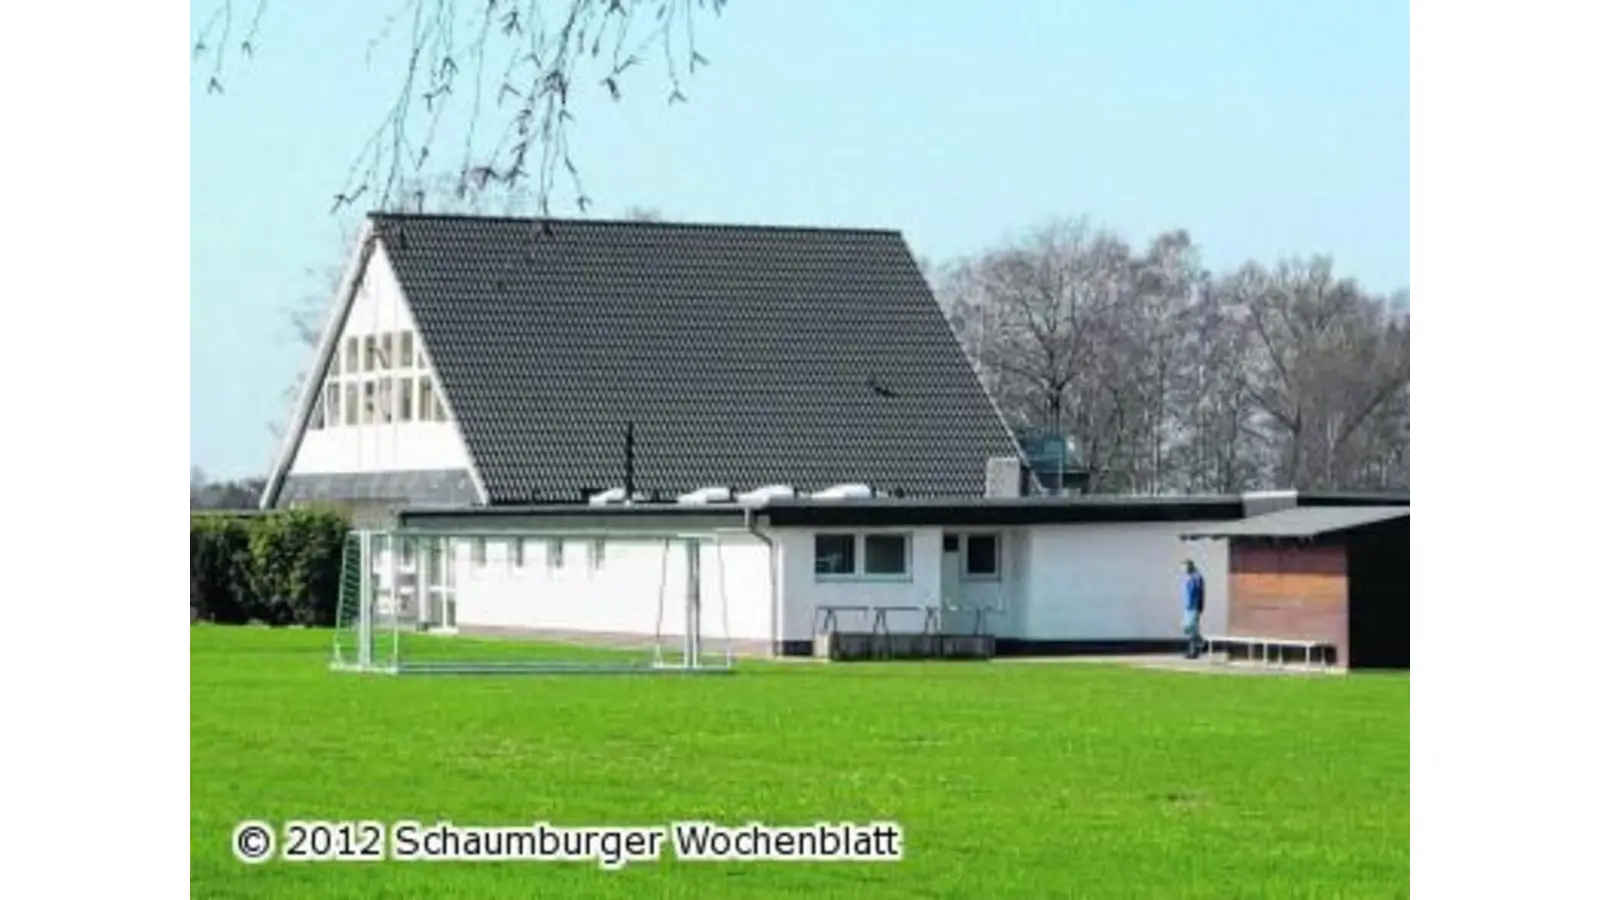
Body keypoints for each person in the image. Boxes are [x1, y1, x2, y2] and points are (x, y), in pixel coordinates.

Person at [1181, 560, 1206, 659]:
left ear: (1189, 566)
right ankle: (1200, 643)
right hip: (1189, 606)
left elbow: (1199, 593)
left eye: (1184, 567)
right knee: (1187, 628)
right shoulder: (1191, 577)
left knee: (1190, 627)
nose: (1182, 569)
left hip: (1194, 606)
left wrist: (1198, 607)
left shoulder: (1197, 577)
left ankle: (1193, 651)